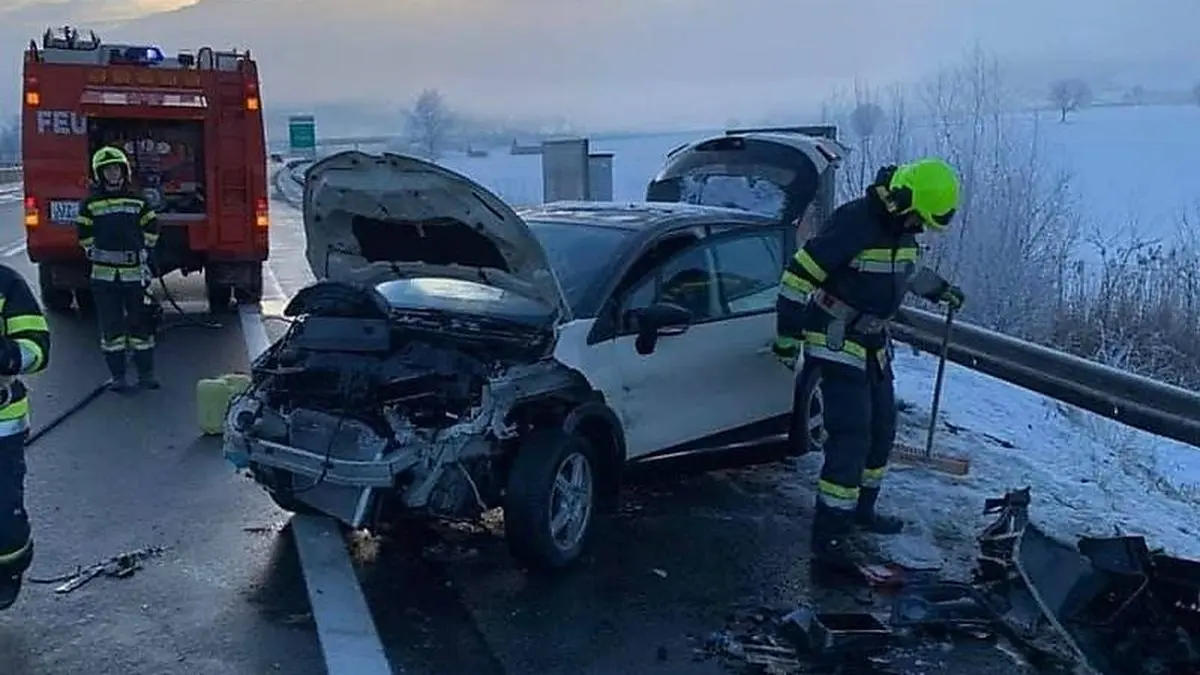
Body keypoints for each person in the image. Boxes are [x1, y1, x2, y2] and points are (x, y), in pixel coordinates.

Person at [773, 158, 966, 573]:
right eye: (918, 217)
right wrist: (788, 336)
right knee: (851, 437)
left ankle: (863, 510)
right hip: (835, 338)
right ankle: (829, 542)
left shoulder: (901, 227)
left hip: (874, 341)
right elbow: (796, 278)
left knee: (882, 430)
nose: (919, 226)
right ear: (902, 199)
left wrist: (940, 291)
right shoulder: (855, 222)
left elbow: (904, 272)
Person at [76, 146, 160, 391]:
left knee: (140, 326)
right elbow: (83, 234)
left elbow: (152, 227)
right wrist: (94, 251)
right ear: (99, 175)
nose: (113, 174)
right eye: (108, 171)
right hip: (103, 279)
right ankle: (118, 377)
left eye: (116, 169)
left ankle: (146, 375)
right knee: (111, 328)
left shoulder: (138, 201)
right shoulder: (90, 205)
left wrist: (146, 251)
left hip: (134, 276)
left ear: (124, 172)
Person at [0, 264, 51, 610]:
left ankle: (8, 570)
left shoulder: (6, 284)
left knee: (3, 517)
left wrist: (8, 355)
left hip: (2, 428)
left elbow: (37, 349)